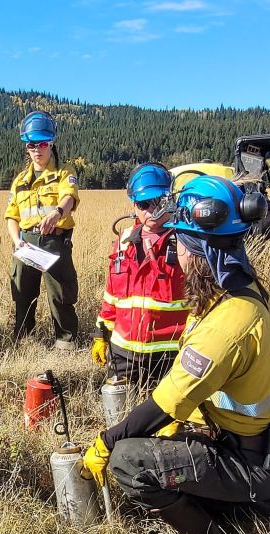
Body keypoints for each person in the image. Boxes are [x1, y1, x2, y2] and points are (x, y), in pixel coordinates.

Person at [81, 177, 270, 534]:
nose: (176, 251)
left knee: (129, 460)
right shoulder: (245, 294)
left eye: (180, 241)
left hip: (248, 462)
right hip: (251, 446)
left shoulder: (229, 324)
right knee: (158, 439)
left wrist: (106, 441)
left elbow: (166, 403)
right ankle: (232, 507)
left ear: (197, 250)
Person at [92, 163, 188, 387]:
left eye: (159, 202)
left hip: (170, 356)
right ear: (134, 205)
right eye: (145, 204)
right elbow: (112, 296)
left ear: (170, 200)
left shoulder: (186, 242)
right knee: (118, 413)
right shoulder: (124, 242)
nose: (152, 211)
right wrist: (100, 333)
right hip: (123, 353)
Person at [5, 111, 81, 350]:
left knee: (60, 296)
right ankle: (24, 342)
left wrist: (57, 213)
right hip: (25, 244)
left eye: (43, 143)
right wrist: (16, 241)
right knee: (23, 296)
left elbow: (69, 198)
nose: (37, 149)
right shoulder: (19, 180)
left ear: (51, 143)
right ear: (26, 147)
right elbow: (11, 216)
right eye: (31, 144)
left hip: (53, 242)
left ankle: (65, 343)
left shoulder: (64, 173)